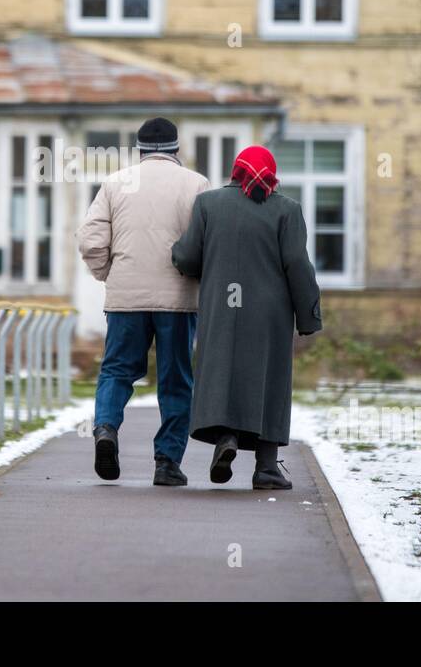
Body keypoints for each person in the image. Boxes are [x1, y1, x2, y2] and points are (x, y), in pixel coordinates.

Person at [171, 144, 322, 490]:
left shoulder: (208, 204)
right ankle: (266, 468)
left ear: (235, 172)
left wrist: (176, 254)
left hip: (222, 306)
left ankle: (226, 437)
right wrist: (309, 315)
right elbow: (298, 265)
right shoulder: (287, 210)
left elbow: (189, 257)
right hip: (270, 314)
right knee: (268, 379)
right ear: (272, 174)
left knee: (222, 370)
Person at [76, 117, 209, 486]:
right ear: (176, 150)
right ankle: (167, 462)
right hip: (179, 299)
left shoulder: (116, 183)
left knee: (117, 370)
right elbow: (205, 243)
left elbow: (90, 240)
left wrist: (108, 274)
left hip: (125, 298)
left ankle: (105, 428)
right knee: (176, 380)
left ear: (140, 151)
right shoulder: (197, 184)